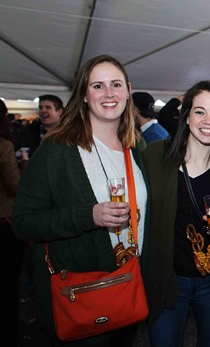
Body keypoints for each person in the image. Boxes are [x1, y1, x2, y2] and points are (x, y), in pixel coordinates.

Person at [12, 54, 149, 347]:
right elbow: (23, 223)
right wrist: (89, 216)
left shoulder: (135, 147)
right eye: (97, 86)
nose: (109, 94)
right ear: (84, 96)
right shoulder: (57, 150)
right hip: (82, 296)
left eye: (115, 84)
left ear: (128, 90)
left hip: (128, 286)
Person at [142, 80, 210, 347]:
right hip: (167, 277)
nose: (208, 120)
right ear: (186, 116)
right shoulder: (154, 156)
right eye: (200, 111)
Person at [0, 98, 28, 346]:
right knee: (8, 282)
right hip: (4, 220)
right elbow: (14, 185)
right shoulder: (4, 146)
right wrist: (25, 166)